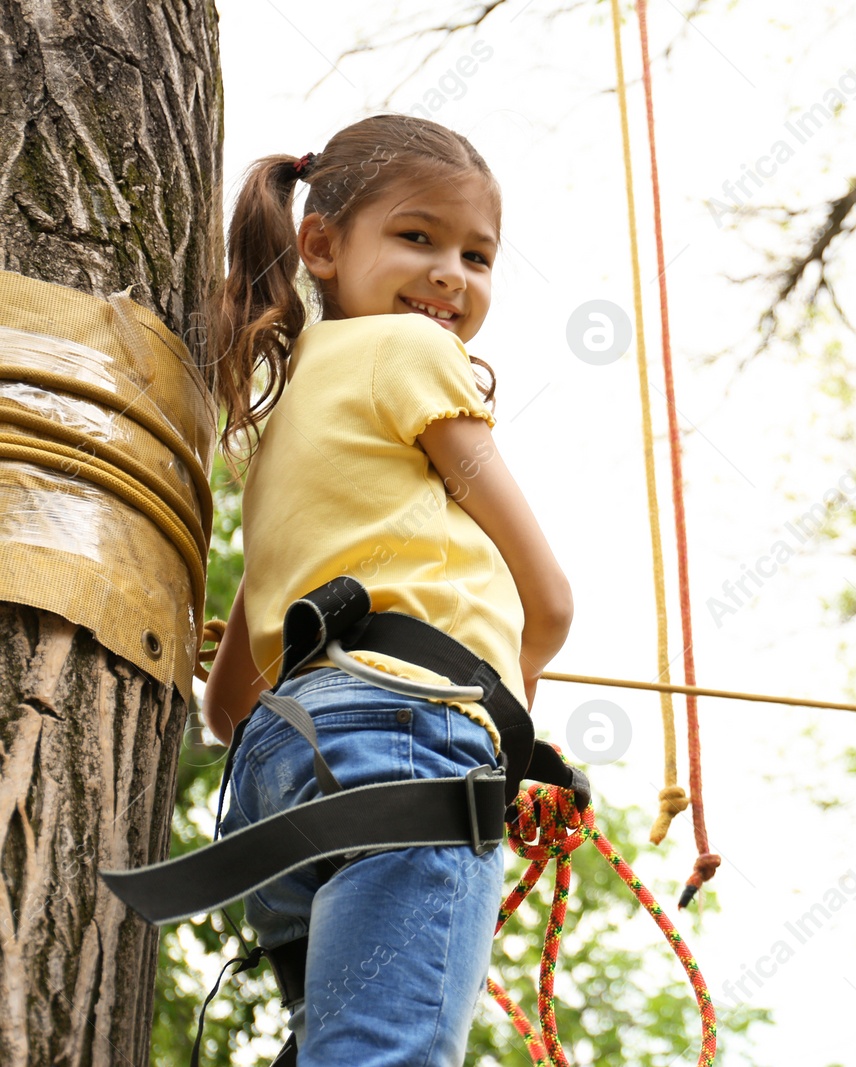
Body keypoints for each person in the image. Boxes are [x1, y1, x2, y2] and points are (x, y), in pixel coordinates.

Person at [198, 113, 574, 1066]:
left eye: (477, 255)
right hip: (415, 738)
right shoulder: (413, 352)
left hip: (278, 777)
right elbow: (551, 598)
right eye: (419, 237)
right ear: (320, 245)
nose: (451, 272)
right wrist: (504, 705)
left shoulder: (282, 426)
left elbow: (225, 706)